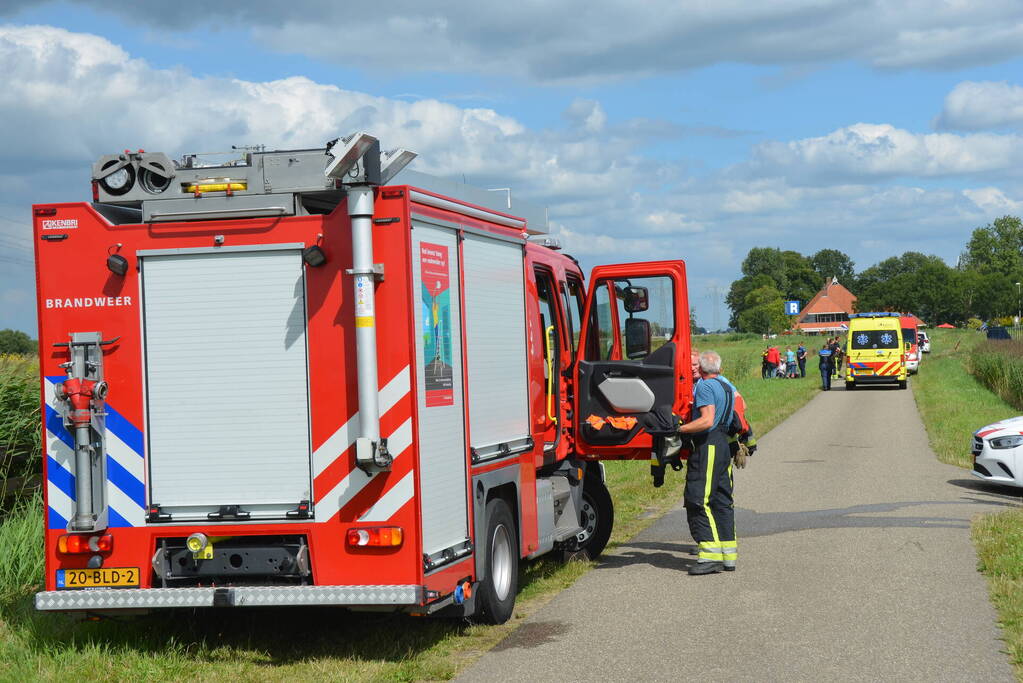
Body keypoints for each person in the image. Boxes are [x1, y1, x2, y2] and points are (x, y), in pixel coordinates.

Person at [678, 350, 738, 575]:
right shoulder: (725, 386)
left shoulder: (703, 386)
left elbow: (706, 420)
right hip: (723, 445)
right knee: (722, 500)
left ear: (701, 369)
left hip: (708, 445)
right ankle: (728, 556)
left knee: (698, 499)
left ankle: (709, 556)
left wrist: (678, 430)